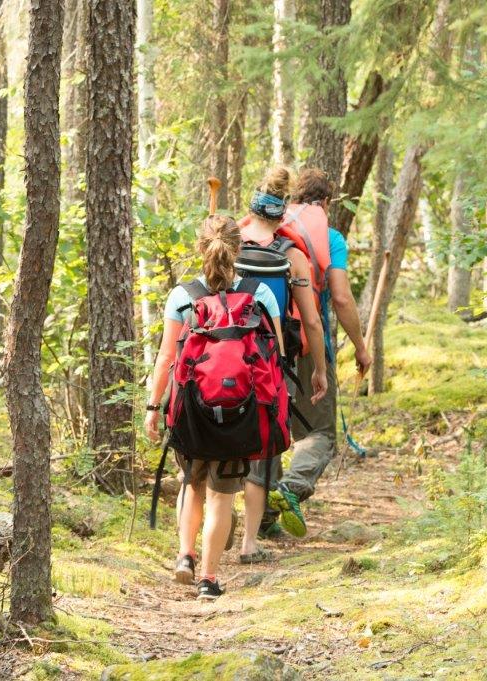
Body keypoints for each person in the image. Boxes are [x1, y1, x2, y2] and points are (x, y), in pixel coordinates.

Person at [143, 215, 284, 601]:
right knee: (223, 496)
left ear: (199, 248)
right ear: (239, 250)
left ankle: (185, 556)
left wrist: (154, 407)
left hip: (191, 411)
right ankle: (208, 578)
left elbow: (166, 359)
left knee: (192, 483)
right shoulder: (260, 295)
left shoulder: (182, 295)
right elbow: (276, 359)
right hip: (240, 414)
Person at [261, 168, 372, 533]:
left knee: (269, 428)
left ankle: (263, 517)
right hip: (306, 341)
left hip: (258, 342)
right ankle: (289, 490)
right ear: (325, 202)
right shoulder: (331, 237)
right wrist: (360, 346)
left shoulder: (265, 230)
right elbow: (340, 296)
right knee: (320, 433)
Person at [239, 167, 328, 563]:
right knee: (265, 445)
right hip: (271, 364)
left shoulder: (227, 245)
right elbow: (310, 320)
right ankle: (250, 541)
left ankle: (210, 532)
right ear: (282, 215)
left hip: (220, 358)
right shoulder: (292, 256)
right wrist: (319, 369)